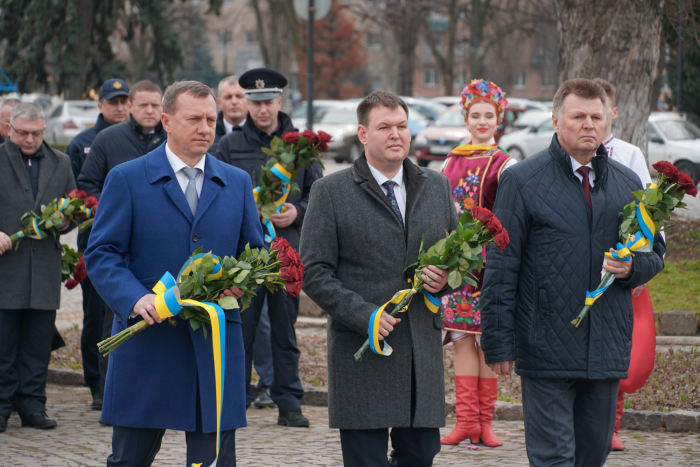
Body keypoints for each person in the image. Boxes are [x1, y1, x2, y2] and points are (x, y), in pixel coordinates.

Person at [481, 78, 666, 467]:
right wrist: (498, 342)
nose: (588, 125)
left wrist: (632, 266)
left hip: (606, 345)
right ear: (555, 121)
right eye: (578, 116)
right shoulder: (521, 180)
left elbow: (655, 254)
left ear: (607, 122)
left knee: (591, 457)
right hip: (545, 344)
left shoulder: (629, 183)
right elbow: (501, 264)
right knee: (553, 459)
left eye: (596, 117)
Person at [84, 80, 265, 466]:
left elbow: (255, 257)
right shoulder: (127, 178)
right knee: (130, 458)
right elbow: (102, 253)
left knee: (213, 461)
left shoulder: (236, 184)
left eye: (211, 120)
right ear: (166, 121)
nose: (205, 128)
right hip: (148, 341)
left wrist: (241, 283)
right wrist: (135, 297)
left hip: (213, 346)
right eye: (194, 119)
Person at [301, 91, 461, 467]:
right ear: (362, 133)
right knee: (366, 461)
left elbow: (458, 260)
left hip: (420, 352)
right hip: (364, 350)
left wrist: (446, 280)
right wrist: (365, 315)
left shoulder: (437, 186)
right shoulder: (330, 191)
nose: (396, 135)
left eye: (402, 126)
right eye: (384, 127)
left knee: (420, 456)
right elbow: (314, 271)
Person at [215, 68, 322, 426]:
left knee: (283, 330)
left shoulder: (301, 149)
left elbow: (317, 196)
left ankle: (289, 402)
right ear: (247, 102)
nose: (262, 109)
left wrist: (298, 211)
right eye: (255, 102)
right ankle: (236, 399)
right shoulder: (228, 146)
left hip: (285, 254)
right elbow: (217, 195)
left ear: (280, 101)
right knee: (240, 329)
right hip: (245, 255)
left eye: (268, 102)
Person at [77, 80, 167, 405]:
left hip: (155, 251)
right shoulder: (108, 139)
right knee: (107, 319)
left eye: (155, 105)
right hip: (117, 248)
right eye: (142, 105)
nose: (149, 111)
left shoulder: (170, 142)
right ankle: (105, 390)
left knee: (157, 317)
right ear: (130, 106)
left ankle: (153, 388)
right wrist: (120, 211)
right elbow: (87, 185)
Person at [438, 80, 515, 448]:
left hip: (491, 265)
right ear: (466, 118)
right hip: (459, 265)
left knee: (488, 342)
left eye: (489, 115)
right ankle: (466, 420)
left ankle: (485, 422)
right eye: (476, 115)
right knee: (462, 342)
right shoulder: (449, 160)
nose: (482, 121)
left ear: (498, 119)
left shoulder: (506, 163)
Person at [0, 102, 76, 433]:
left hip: (44, 266)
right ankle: (2, 406)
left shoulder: (62, 162)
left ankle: (33, 404)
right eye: (22, 133)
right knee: (3, 344)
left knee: (37, 343)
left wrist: (64, 221)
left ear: (44, 130)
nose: (30, 139)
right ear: (10, 130)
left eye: (36, 133)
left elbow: (72, 209)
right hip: (7, 267)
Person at [593, 77, 657, 452]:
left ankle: (611, 425)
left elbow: (648, 214)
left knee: (622, 347)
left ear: (612, 113)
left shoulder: (630, 154)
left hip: (621, 267)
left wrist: (637, 262)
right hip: (586, 270)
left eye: (600, 112)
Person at [66, 78, 130, 411]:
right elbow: (76, 194)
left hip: (131, 249)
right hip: (96, 245)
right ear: (100, 106)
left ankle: (119, 381)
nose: (120, 107)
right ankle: (96, 383)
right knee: (95, 316)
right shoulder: (82, 143)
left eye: (124, 101)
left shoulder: (142, 138)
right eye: (113, 102)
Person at [209, 75, 247, 154]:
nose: (234, 102)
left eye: (239, 96)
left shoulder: (260, 133)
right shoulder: (207, 133)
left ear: (248, 100)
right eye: (228, 97)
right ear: (219, 103)